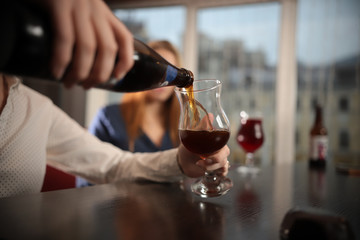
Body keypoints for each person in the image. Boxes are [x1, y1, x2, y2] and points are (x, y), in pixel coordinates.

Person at [0, 0, 230, 198]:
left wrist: (180, 162)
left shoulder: (35, 110)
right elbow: (89, 185)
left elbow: (114, 165)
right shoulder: (109, 117)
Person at [77, 40, 183, 187]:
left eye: (170, 73)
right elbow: (88, 176)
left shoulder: (182, 122)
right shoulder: (108, 117)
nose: (163, 79)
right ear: (141, 73)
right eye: (157, 71)